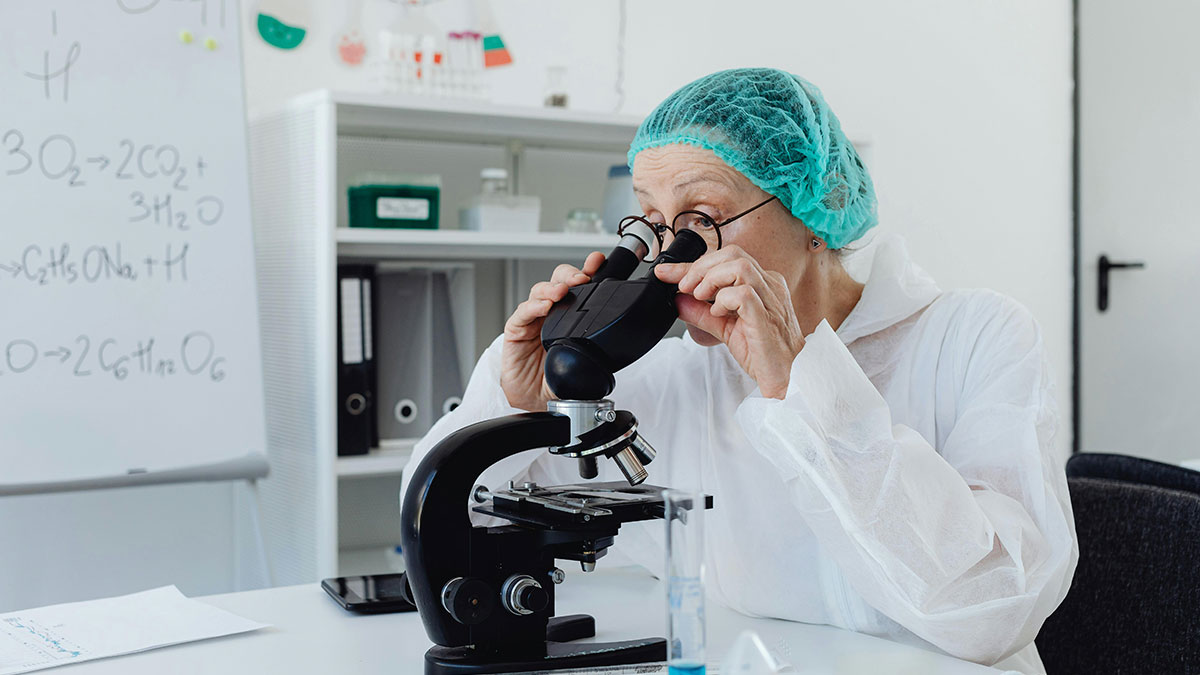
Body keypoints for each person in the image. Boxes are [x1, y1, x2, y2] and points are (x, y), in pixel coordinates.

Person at [400, 67, 1077, 673]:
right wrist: (512, 395)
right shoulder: (674, 376)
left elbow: (994, 608)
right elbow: (432, 525)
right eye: (655, 226)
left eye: (702, 219)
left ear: (814, 206)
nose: (671, 256)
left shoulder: (976, 337)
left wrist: (798, 382)